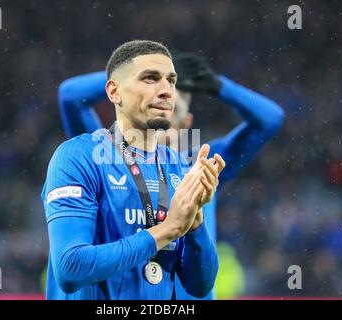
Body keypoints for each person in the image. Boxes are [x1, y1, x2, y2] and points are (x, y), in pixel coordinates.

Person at [56, 48, 285, 300]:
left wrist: (217, 85)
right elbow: (70, 95)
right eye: (151, 82)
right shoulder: (102, 155)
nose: (162, 96)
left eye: (170, 86)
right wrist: (133, 69)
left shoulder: (198, 165)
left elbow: (270, 119)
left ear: (185, 123)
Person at [41, 40, 225, 300]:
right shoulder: (78, 156)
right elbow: (71, 268)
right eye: (150, 79)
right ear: (114, 91)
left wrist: (196, 225)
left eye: (171, 81)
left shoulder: (181, 167)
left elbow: (200, 286)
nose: (166, 91)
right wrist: (166, 229)